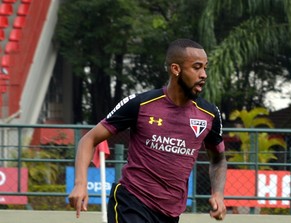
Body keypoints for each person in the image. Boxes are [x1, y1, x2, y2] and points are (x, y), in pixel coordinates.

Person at [68, 38, 227, 222]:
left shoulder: (209, 114)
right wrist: (80, 184)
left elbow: (218, 159)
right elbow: (88, 139)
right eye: (197, 67)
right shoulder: (141, 104)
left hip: (170, 213)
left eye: (205, 68)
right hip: (131, 202)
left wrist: (218, 194)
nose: (203, 74)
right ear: (176, 69)